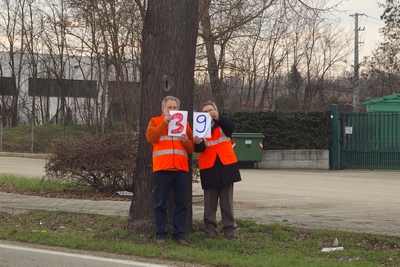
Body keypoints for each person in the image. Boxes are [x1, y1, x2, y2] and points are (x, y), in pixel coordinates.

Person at [146, 95, 194, 246]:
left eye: (175, 108)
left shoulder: (185, 124)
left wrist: (186, 141)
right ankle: (161, 235)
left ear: (179, 109)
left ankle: (179, 235)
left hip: (180, 169)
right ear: (163, 109)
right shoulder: (156, 121)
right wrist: (164, 124)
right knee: (160, 204)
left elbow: (192, 148)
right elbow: (151, 138)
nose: (172, 110)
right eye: (170, 108)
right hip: (162, 168)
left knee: (181, 204)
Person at [193, 101, 241, 240]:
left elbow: (231, 128)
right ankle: (210, 230)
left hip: (226, 166)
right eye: (205, 111)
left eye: (210, 110)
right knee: (209, 204)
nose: (208, 113)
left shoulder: (222, 124)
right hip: (209, 168)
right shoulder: (200, 127)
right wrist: (197, 142)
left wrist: (218, 118)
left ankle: (229, 230)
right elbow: (199, 149)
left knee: (227, 203)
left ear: (216, 111)